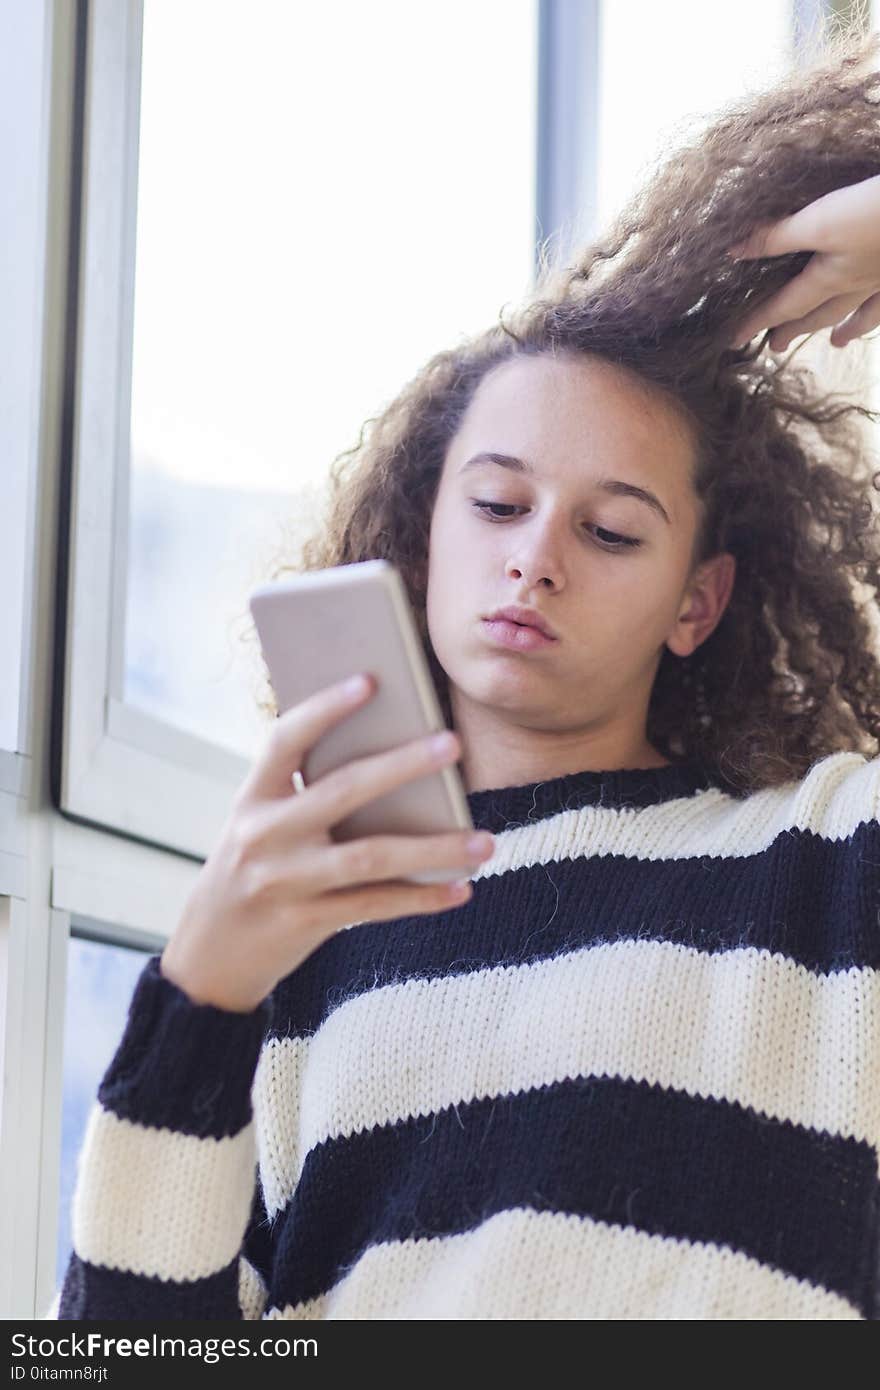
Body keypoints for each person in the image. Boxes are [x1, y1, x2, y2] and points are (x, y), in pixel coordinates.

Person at [48, 21, 880, 1320]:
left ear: (698, 600)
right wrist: (200, 993)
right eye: (496, 505)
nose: (534, 561)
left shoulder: (830, 861)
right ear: (419, 531)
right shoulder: (297, 949)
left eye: (610, 532)